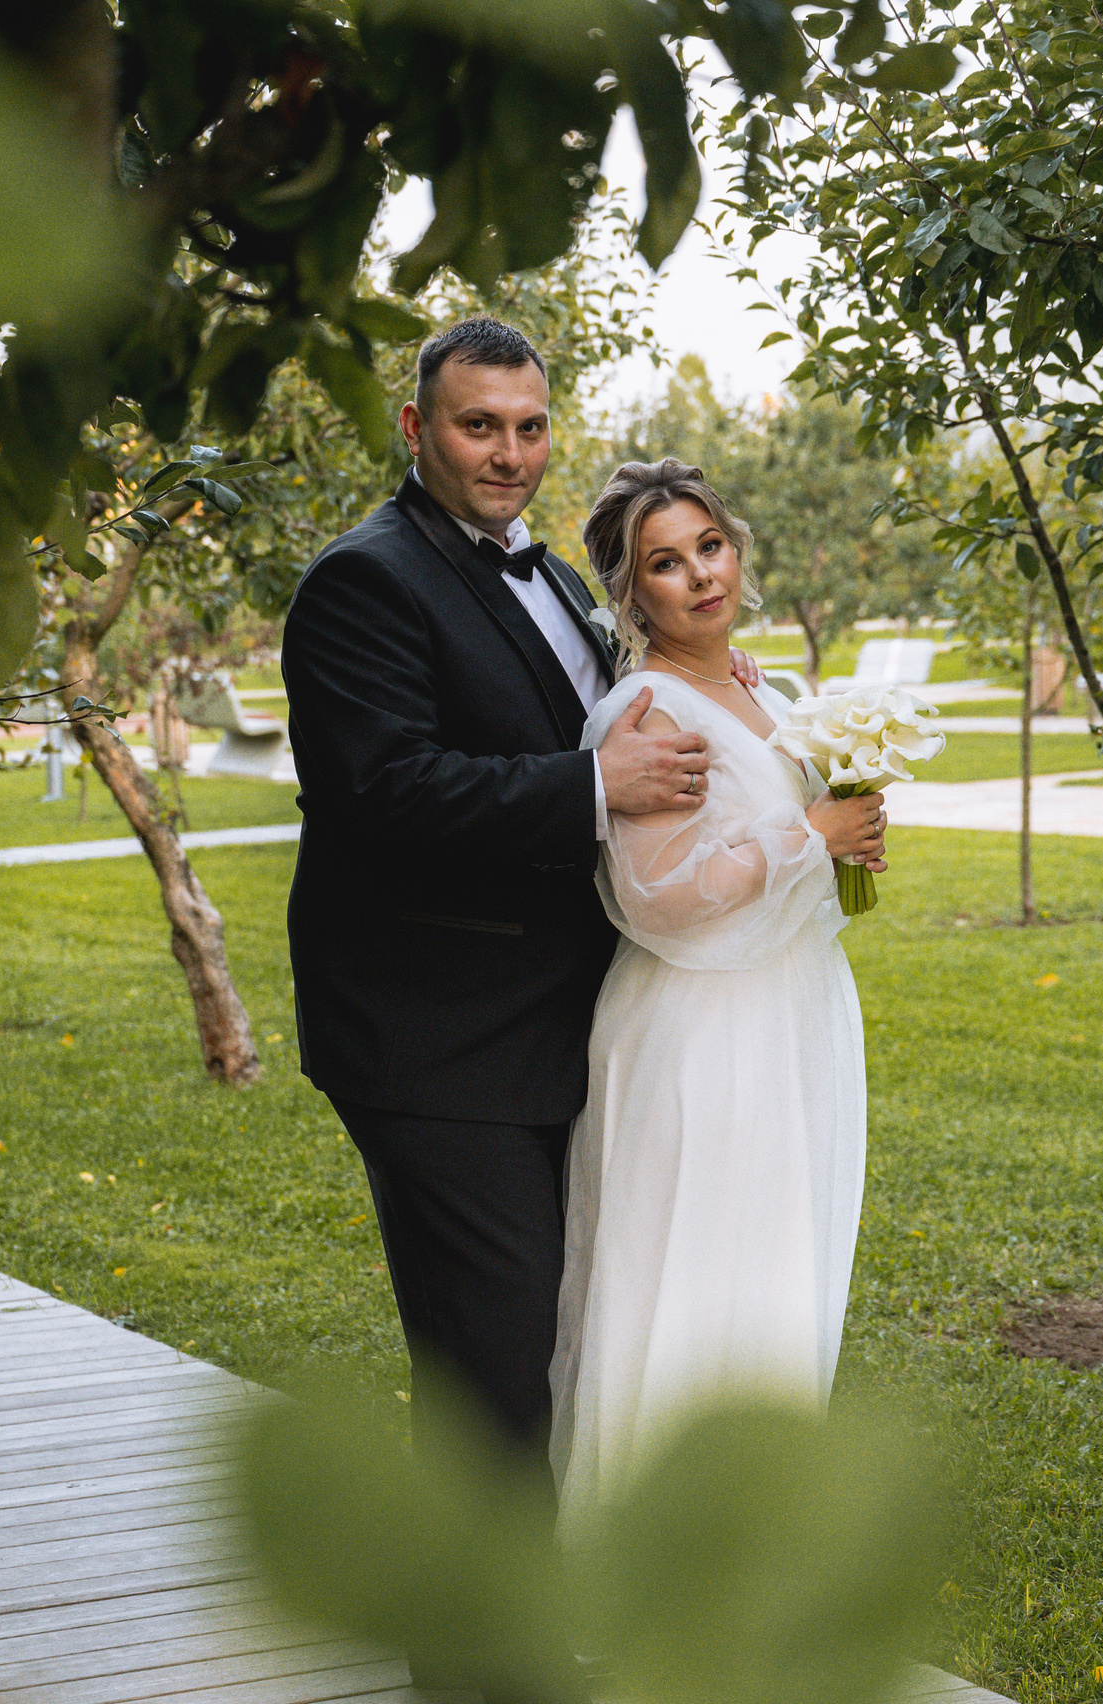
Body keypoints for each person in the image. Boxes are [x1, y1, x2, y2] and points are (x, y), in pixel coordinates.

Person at [278, 320, 764, 1505]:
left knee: (555, 1347)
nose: (509, 453)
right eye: (478, 425)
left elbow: (615, 714)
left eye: (529, 427)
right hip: (438, 1038)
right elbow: (383, 792)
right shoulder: (366, 578)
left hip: (559, 1026)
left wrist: (719, 695)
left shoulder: (543, 573)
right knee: (490, 1378)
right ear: (415, 429)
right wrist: (598, 787)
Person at [549, 458, 885, 1527]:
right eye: (664, 563)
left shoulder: (756, 686)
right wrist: (808, 836)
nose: (698, 575)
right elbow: (659, 898)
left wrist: (845, 830)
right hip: (704, 1033)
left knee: (775, 1292)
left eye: (709, 546)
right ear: (629, 592)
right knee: (686, 1293)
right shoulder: (645, 714)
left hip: (792, 1018)